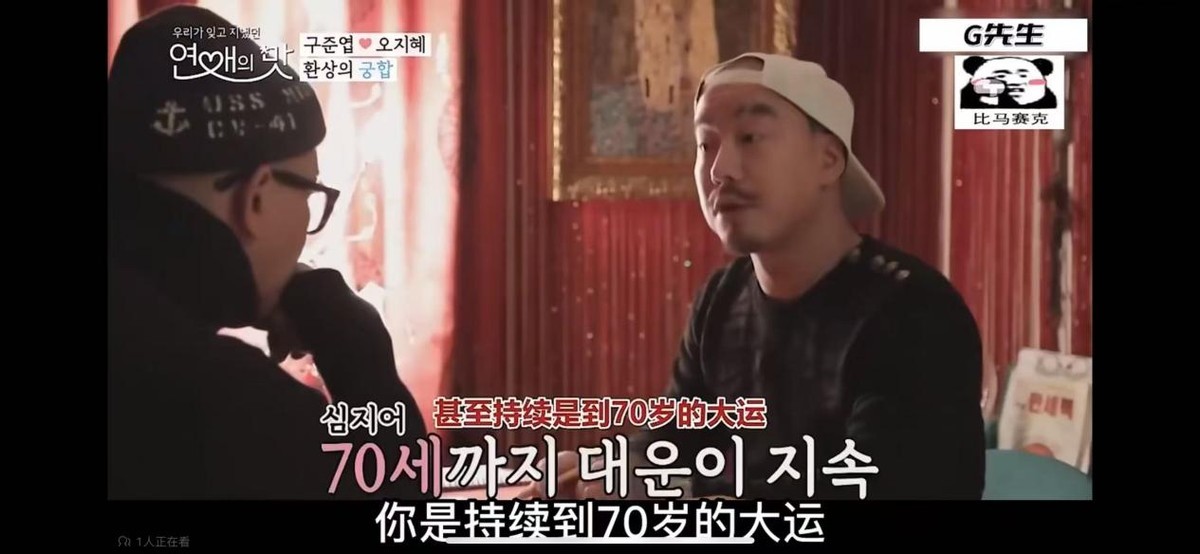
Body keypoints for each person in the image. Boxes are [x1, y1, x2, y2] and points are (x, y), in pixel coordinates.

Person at [525, 53, 985, 500]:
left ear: (828, 160)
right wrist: (609, 469)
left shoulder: (913, 311)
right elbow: (674, 440)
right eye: (705, 145)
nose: (720, 169)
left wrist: (683, 496)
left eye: (750, 137)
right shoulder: (722, 298)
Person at [108, 6, 429, 500]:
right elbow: (401, 518)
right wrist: (359, 355)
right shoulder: (228, 406)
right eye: (308, 194)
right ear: (256, 198)